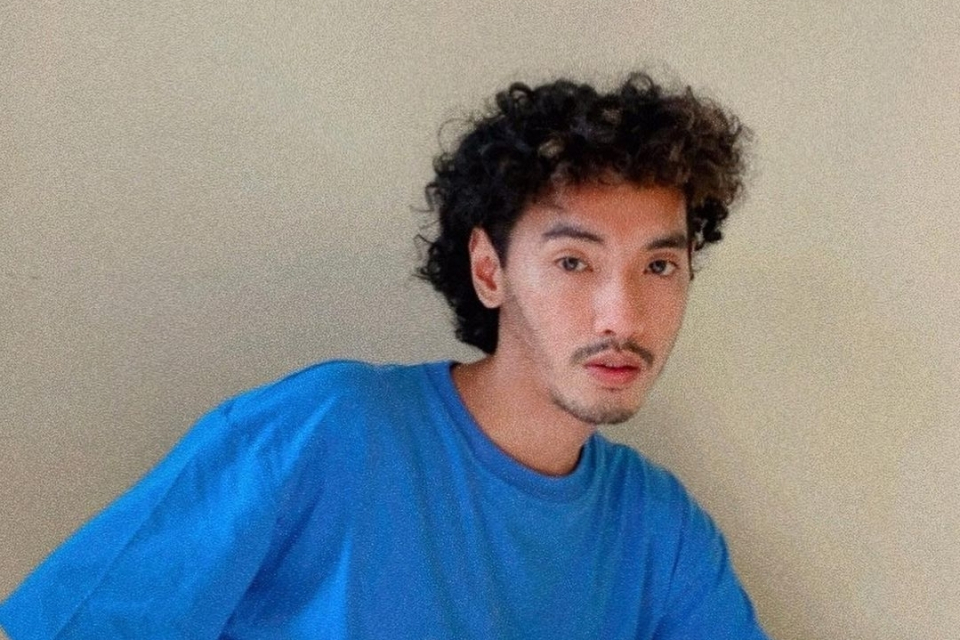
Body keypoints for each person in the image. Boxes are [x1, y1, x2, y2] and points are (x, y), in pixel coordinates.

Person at [0, 73, 770, 639]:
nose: (623, 315)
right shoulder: (326, 431)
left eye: (659, 266)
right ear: (490, 271)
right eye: (574, 262)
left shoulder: (661, 530)